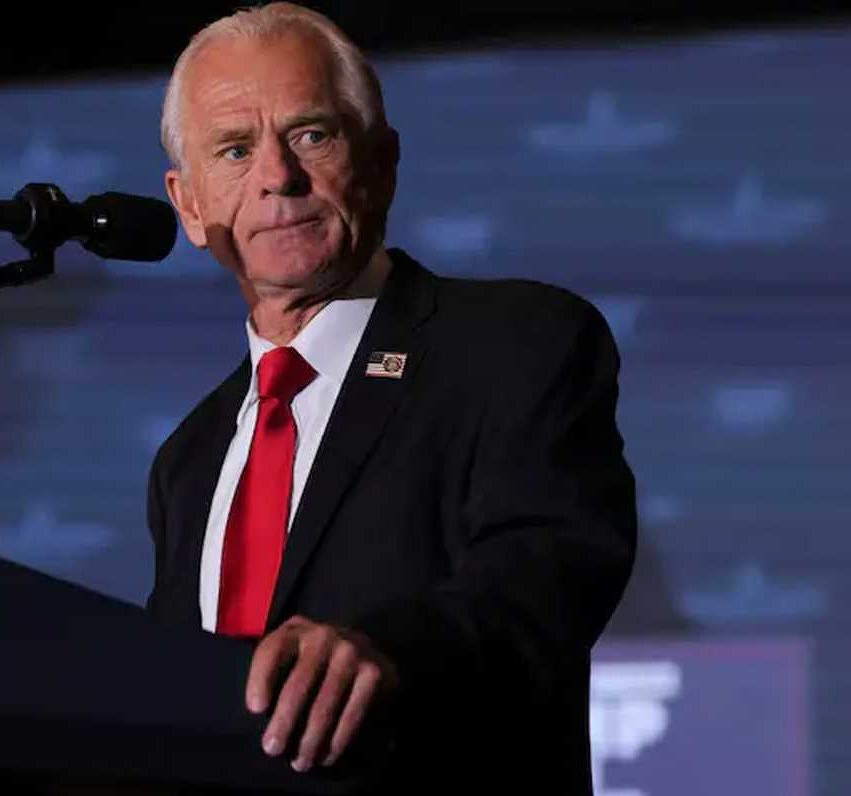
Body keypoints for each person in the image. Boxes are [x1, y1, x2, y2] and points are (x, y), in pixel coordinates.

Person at [145, 3, 636, 791]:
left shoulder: (514, 344)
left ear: (381, 162)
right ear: (189, 206)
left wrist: (389, 651)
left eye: (312, 135)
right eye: (235, 150)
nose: (277, 176)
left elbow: (548, 574)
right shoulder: (188, 459)